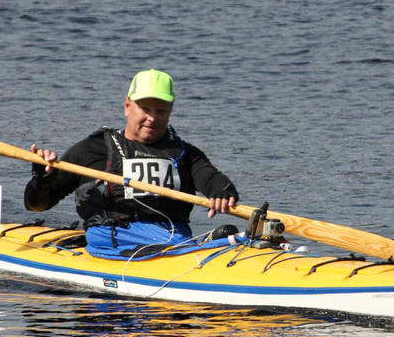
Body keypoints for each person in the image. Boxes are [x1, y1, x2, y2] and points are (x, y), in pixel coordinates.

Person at [24, 69, 240, 260]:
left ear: (170, 110)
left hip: (172, 241)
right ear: (127, 106)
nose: (152, 118)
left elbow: (211, 178)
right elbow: (37, 205)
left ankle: (200, 248)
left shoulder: (185, 154)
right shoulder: (92, 149)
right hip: (110, 243)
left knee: (231, 231)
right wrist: (42, 179)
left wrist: (222, 191)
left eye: (161, 111)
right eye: (145, 109)